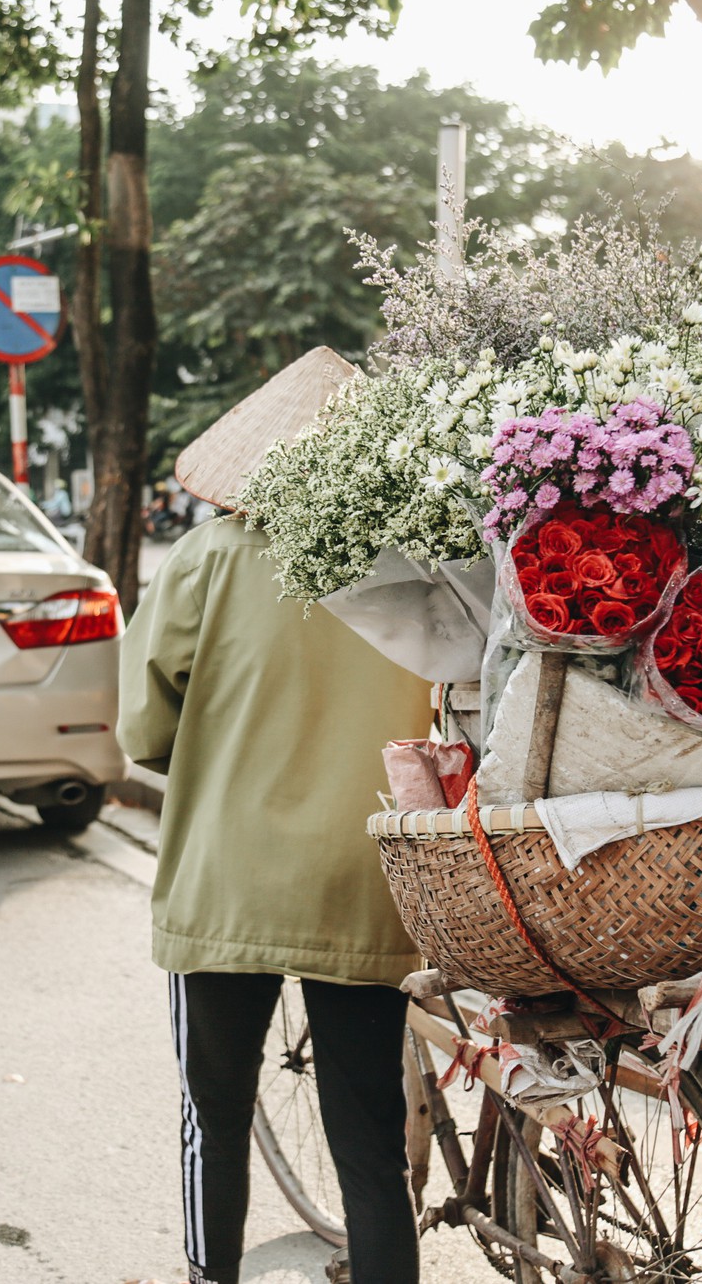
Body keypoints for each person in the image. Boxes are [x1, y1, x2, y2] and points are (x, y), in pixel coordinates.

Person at [117, 347, 428, 1284]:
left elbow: (142, 724)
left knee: (212, 1118)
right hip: (367, 879)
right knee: (371, 1146)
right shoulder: (420, 573)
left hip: (229, 881)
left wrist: (212, 754)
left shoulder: (207, 558)